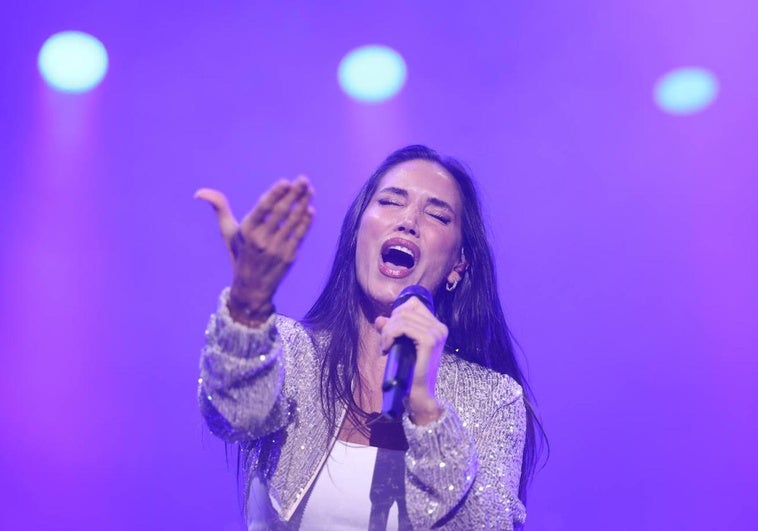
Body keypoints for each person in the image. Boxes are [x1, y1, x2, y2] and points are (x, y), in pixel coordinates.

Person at [196, 145, 542, 530]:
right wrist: (248, 304)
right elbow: (232, 416)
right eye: (391, 202)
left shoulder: (492, 398)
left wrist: (425, 409)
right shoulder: (292, 353)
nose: (409, 221)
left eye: (437, 215)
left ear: (457, 265)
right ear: (357, 232)